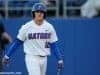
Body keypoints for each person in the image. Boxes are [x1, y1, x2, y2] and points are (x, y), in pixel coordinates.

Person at [2, 3, 64, 75]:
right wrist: (7, 56)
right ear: (33, 13)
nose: (39, 13)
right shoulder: (26, 27)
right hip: (31, 57)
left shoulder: (49, 27)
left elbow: (53, 45)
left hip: (44, 58)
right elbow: (17, 43)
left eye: (41, 12)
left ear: (44, 14)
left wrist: (60, 59)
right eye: (37, 11)